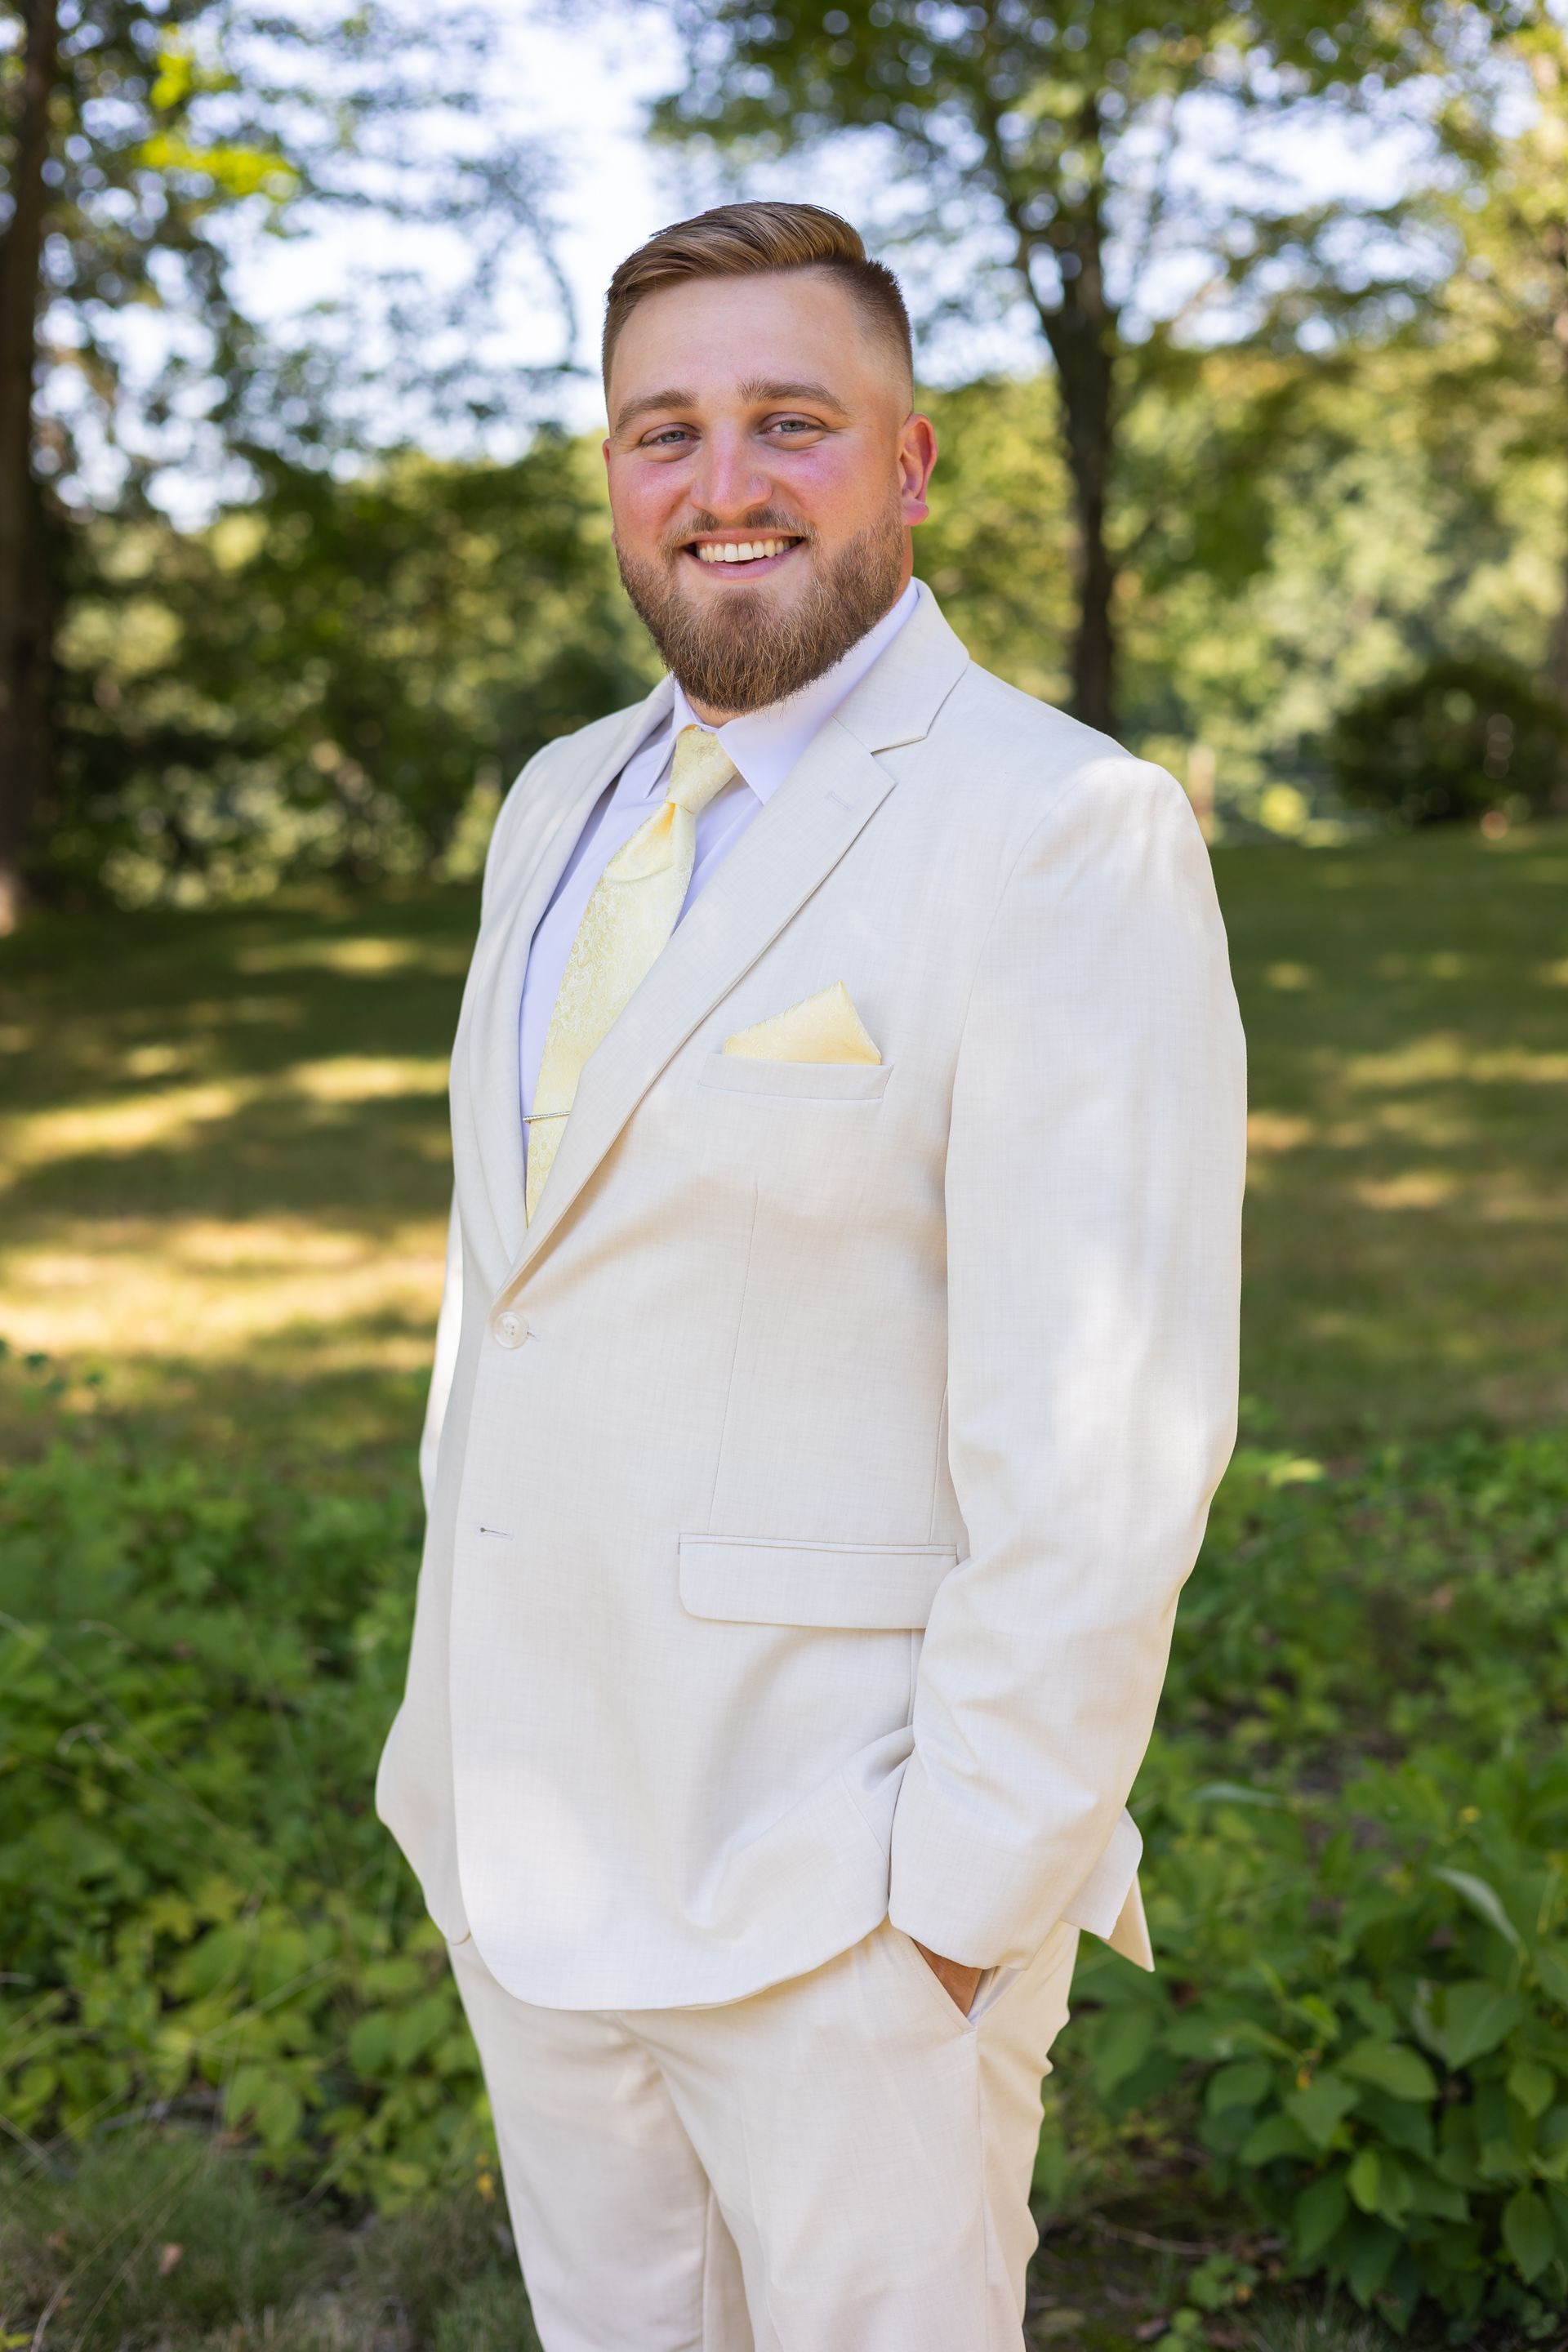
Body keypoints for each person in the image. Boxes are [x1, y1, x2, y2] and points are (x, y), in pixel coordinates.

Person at [376, 199, 1246, 2352]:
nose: (724, 484)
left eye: (791, 421)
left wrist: (948, 1924)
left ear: (912, 460)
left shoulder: (1063, 829)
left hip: (839, 1909)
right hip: (532, 1864)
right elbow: (521, 1296)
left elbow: (1103, 1441)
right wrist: (456, 1798)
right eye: (662, 432)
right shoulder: (560, 802)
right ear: (611, 472)